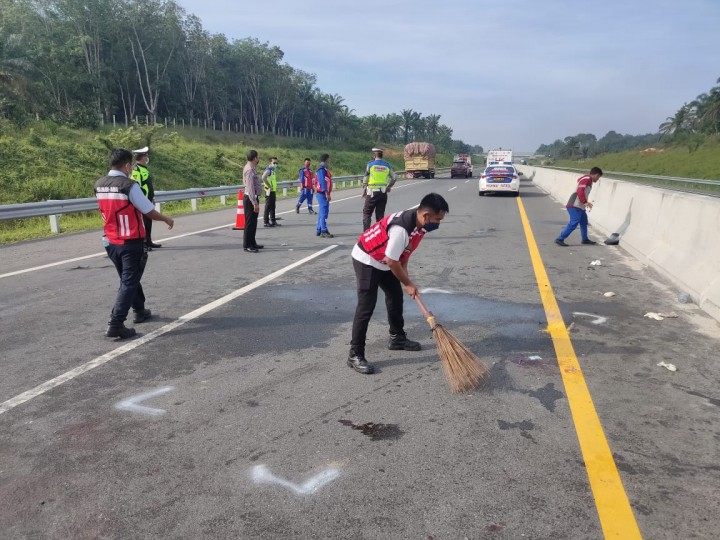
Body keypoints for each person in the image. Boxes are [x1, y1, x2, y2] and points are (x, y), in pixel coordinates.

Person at [348, 192, 449, 374]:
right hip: (368, 259)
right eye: (437, 219)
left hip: (386, 259)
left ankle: (397, 338)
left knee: (395, 296)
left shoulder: (421, 225)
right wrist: (409, 284)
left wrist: (405, 278)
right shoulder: (401, 229)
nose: (438, 223)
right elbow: (392, 260)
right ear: (426, 215)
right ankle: (355, 354)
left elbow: (405, 252)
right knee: (366, 307)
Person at [95, 149, 174, 339]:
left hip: (110, 240)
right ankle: (116, 323)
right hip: (130, 240)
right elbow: (148, 210)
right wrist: (166, 219)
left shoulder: (99, 184)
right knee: (129, 280)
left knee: (128, 277)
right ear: (127, 165)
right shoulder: (128, 185)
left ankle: (139, 310)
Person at [555, 166, 603, 246]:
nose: (598, 180)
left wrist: (586, 203)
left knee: (584, 222)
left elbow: (583, 192)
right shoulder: (586, 179)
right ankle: (560, 238)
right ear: (596, 175)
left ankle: (585, 239)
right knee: (574, 223)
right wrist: (585, 202)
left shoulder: (588, 180)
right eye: (598, 177)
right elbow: (580, 191)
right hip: (574, 205)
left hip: (579, 206)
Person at [130, 146, 161, 250]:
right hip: (142, 200)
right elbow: (136, 185)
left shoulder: (144, 169)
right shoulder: (136, 169)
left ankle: (149, 241)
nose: (147, 157)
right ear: (142, 157)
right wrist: (141, 199)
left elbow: (148, 184)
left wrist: (152, 197)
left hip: (148, 199)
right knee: (143, 222)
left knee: (148, 221)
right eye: (146, 155)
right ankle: (143, 244)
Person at [362, 147, 397, 231]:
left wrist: (364, 190)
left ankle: (366, 233)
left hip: (372, 192)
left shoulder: (370, 165)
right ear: (382, 156)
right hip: (383, 192)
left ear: (374, 155)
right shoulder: (387, 165)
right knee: (380, 215)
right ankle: (380, 234)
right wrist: (389, 186)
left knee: (367, 213)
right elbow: (394, 177)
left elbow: (365, 178)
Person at [243, 149, 264, 253]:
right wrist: (254, 203)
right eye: (258, 157)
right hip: (251, 199)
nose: (258, 159)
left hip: (253, 197)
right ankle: (247, 245)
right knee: (249, 222)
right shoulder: (249, 170)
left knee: (253, 222)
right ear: (254, 158)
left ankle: (252, 242)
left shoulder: (252, 168)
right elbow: (250, 188)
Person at [314, 153, 334, 238]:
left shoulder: (324, 169)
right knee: (324, 212)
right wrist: (327, 193)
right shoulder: (321, 170)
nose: (329, 160)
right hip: (322, 193)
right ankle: (323, 230)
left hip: (322, 193)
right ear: (326, 160)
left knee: (322, 212)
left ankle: (319, 229)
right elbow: (322, 182)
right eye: (328, 159)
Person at [262, 156, 281, 227]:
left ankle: (273, 220)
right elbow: (263, 177)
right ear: (270, 162)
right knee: (268, 206)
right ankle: (266, 221)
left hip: (273, 190)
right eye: (274, 162)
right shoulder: (268, 170)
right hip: (269, 190)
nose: (275, 164)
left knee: (273, 206)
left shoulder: (273, 170)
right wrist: (269, 185)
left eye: (276, 163)